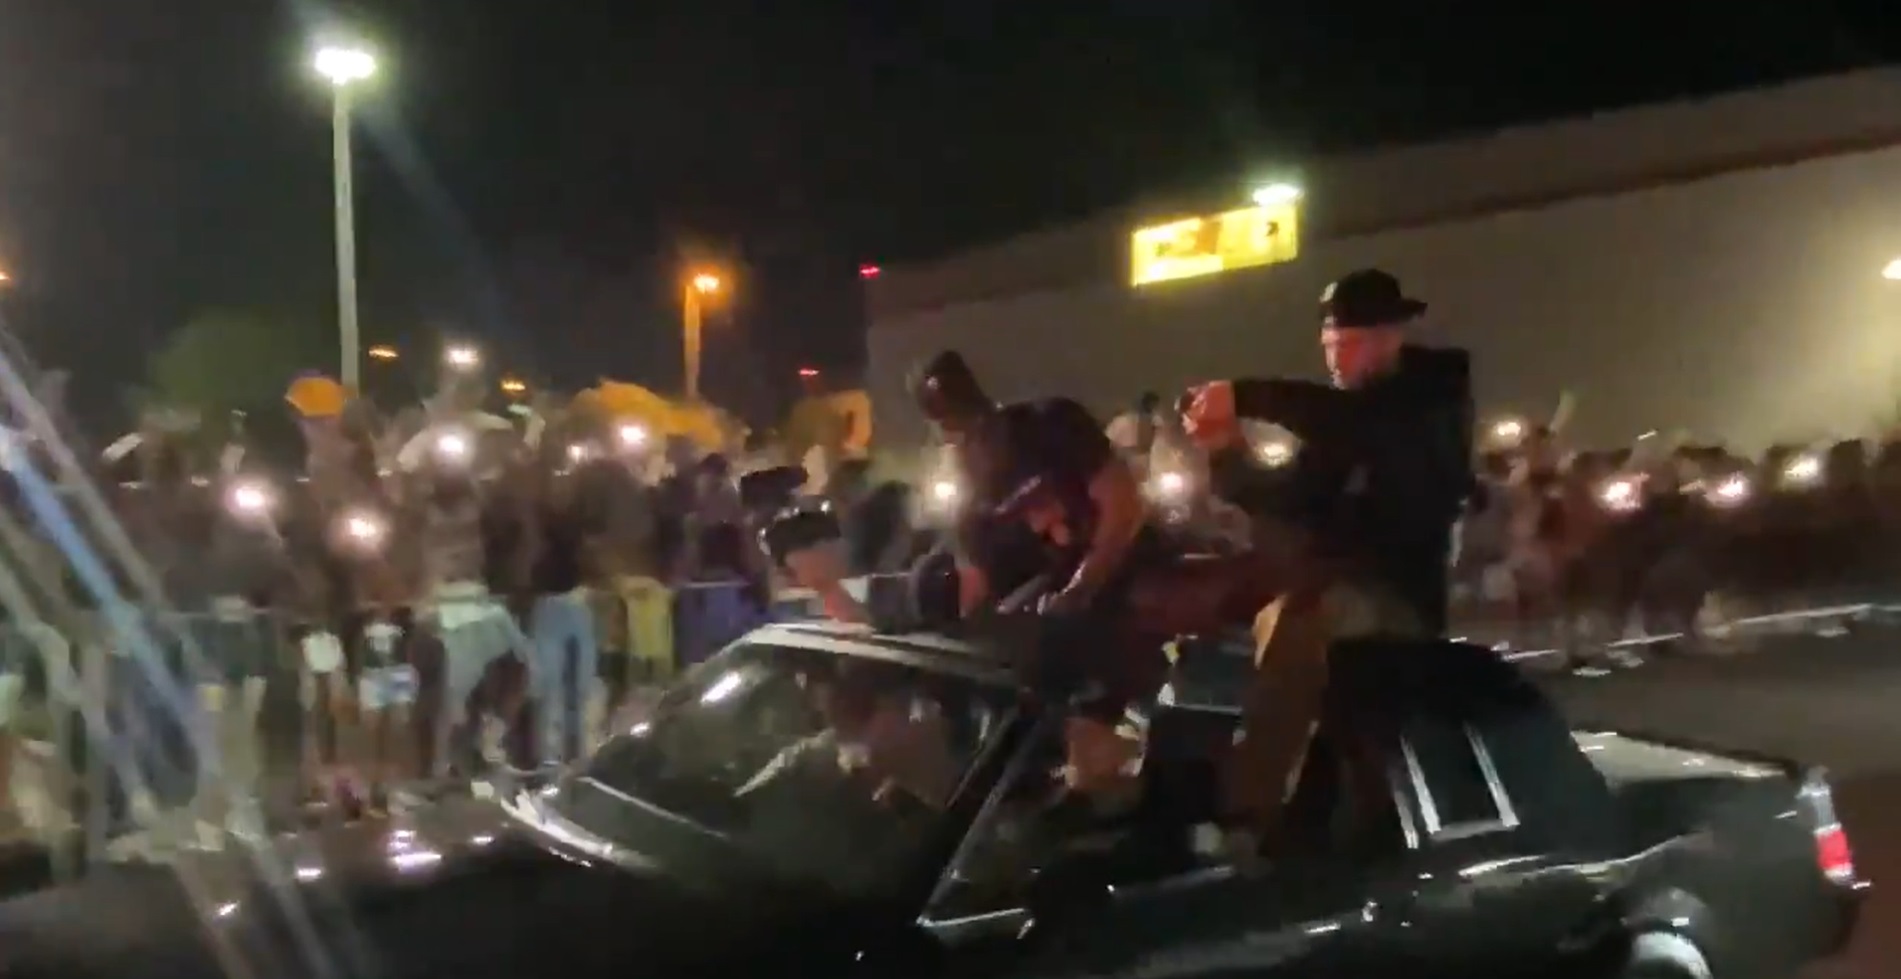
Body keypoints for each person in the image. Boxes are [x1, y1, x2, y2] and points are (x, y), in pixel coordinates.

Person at [1182, 267, 1474, 849]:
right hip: (1341, 581)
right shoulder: (1345, 418)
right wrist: (1225, 454)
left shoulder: (1430, 398)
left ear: (1392, 336)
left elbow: (1365, 427)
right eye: (1330, 345)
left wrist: (1244, 394)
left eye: (1350, 343)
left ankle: (1246, 806)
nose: (1337, 358)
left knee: (1302, 622)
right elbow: (1293, 497)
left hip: (1400, 595)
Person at [908, 351, 1157, 795]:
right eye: (954, 430)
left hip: (1121, 564)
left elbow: (1123, 505)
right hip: (1051, 595)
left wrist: (1082, 588)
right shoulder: (969, 483)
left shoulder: (1052, 424)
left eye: (970, 423)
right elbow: (976, 579)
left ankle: (1107, 766)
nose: (968, 439)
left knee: (1059, 637)